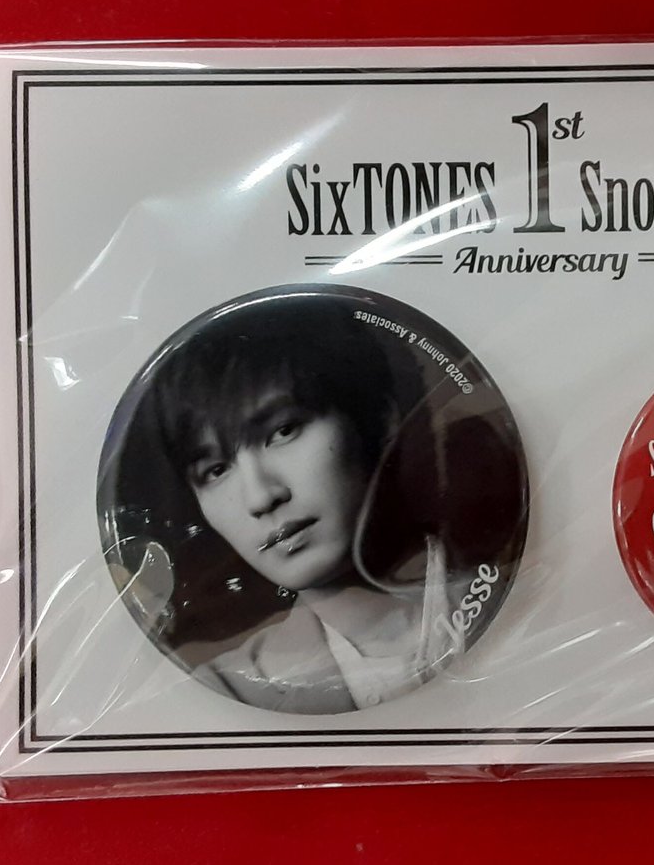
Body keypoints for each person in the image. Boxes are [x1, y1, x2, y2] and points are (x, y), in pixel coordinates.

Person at [144, 294, 461, 714]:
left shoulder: (516, 576)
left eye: (284, 430)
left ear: (378, 418)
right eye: (216, 470)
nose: (261, 497)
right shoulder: (225, 690)